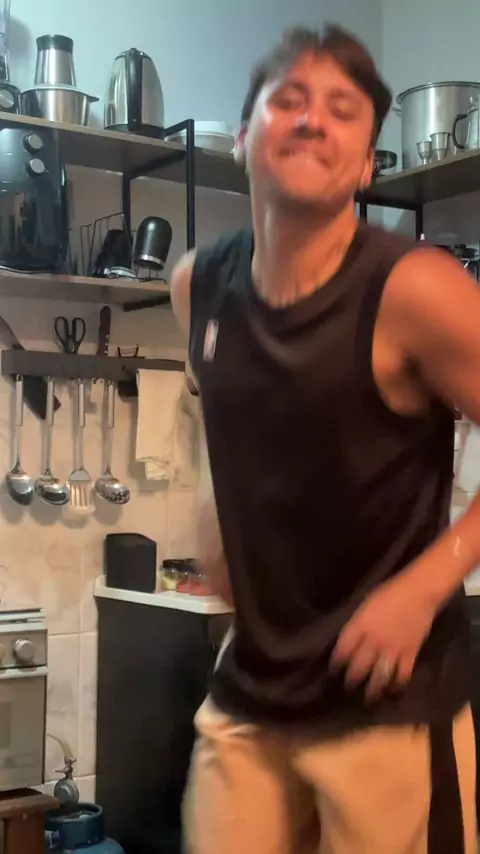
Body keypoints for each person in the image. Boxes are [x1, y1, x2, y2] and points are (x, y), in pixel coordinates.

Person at [171, 23, 479, 854]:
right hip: (250, 698)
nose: (313, 121)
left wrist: (422, 590)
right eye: (291, 100)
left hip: (388, 705)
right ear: (244, 138)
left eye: (343, 111)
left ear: (368, 164)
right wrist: (212, 526)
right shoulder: (197, 286)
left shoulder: (416, 290)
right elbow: (222, 422)